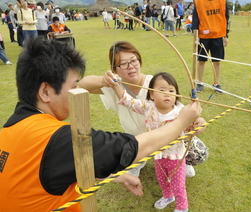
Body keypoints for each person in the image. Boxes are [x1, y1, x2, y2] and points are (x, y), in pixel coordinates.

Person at [0, 37, 201, 212]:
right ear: (45, 92)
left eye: (134, 60)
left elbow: (59, 168)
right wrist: (181, 122)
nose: (77, 92)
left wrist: (116, 177)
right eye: (73, 87)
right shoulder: (57, 140)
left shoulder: (9, 129)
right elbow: (132, 148)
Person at [79, 41, 207, 178]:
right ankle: (138, 161)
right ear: (115, 69)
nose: (131, 67)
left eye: (134, 61)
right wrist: (104, 80)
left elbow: (179, 108)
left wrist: (198, 120)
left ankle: (179, 160)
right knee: (118, 152)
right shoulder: (114, 86)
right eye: (123, 64)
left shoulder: (154, 83)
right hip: (137, 142)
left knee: (199, 153)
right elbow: (83, 84)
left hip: (165, 138)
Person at [110, 72, 197, 212]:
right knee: (162, 179)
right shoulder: (148, 106)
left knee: (178, 185)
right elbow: (129, 101)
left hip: (176, 156)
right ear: (151, 94)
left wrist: (197, 125)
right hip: (157, 154)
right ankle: (168, 196)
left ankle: (182, 207)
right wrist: (116, 85)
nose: (167, 94)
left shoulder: (181, 112)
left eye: (171, 90)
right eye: (161, 90)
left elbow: (193, 125)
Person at [192, 0, 229, 94]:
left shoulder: (222, 1)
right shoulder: (199, 2)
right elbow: (195, 19)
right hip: (203, 36)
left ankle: (216, 83)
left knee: (216, 61)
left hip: (217, 36)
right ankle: (200, 82)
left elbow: (226, 18)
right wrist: (196, 36)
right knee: (201, 60)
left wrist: (226, 36)